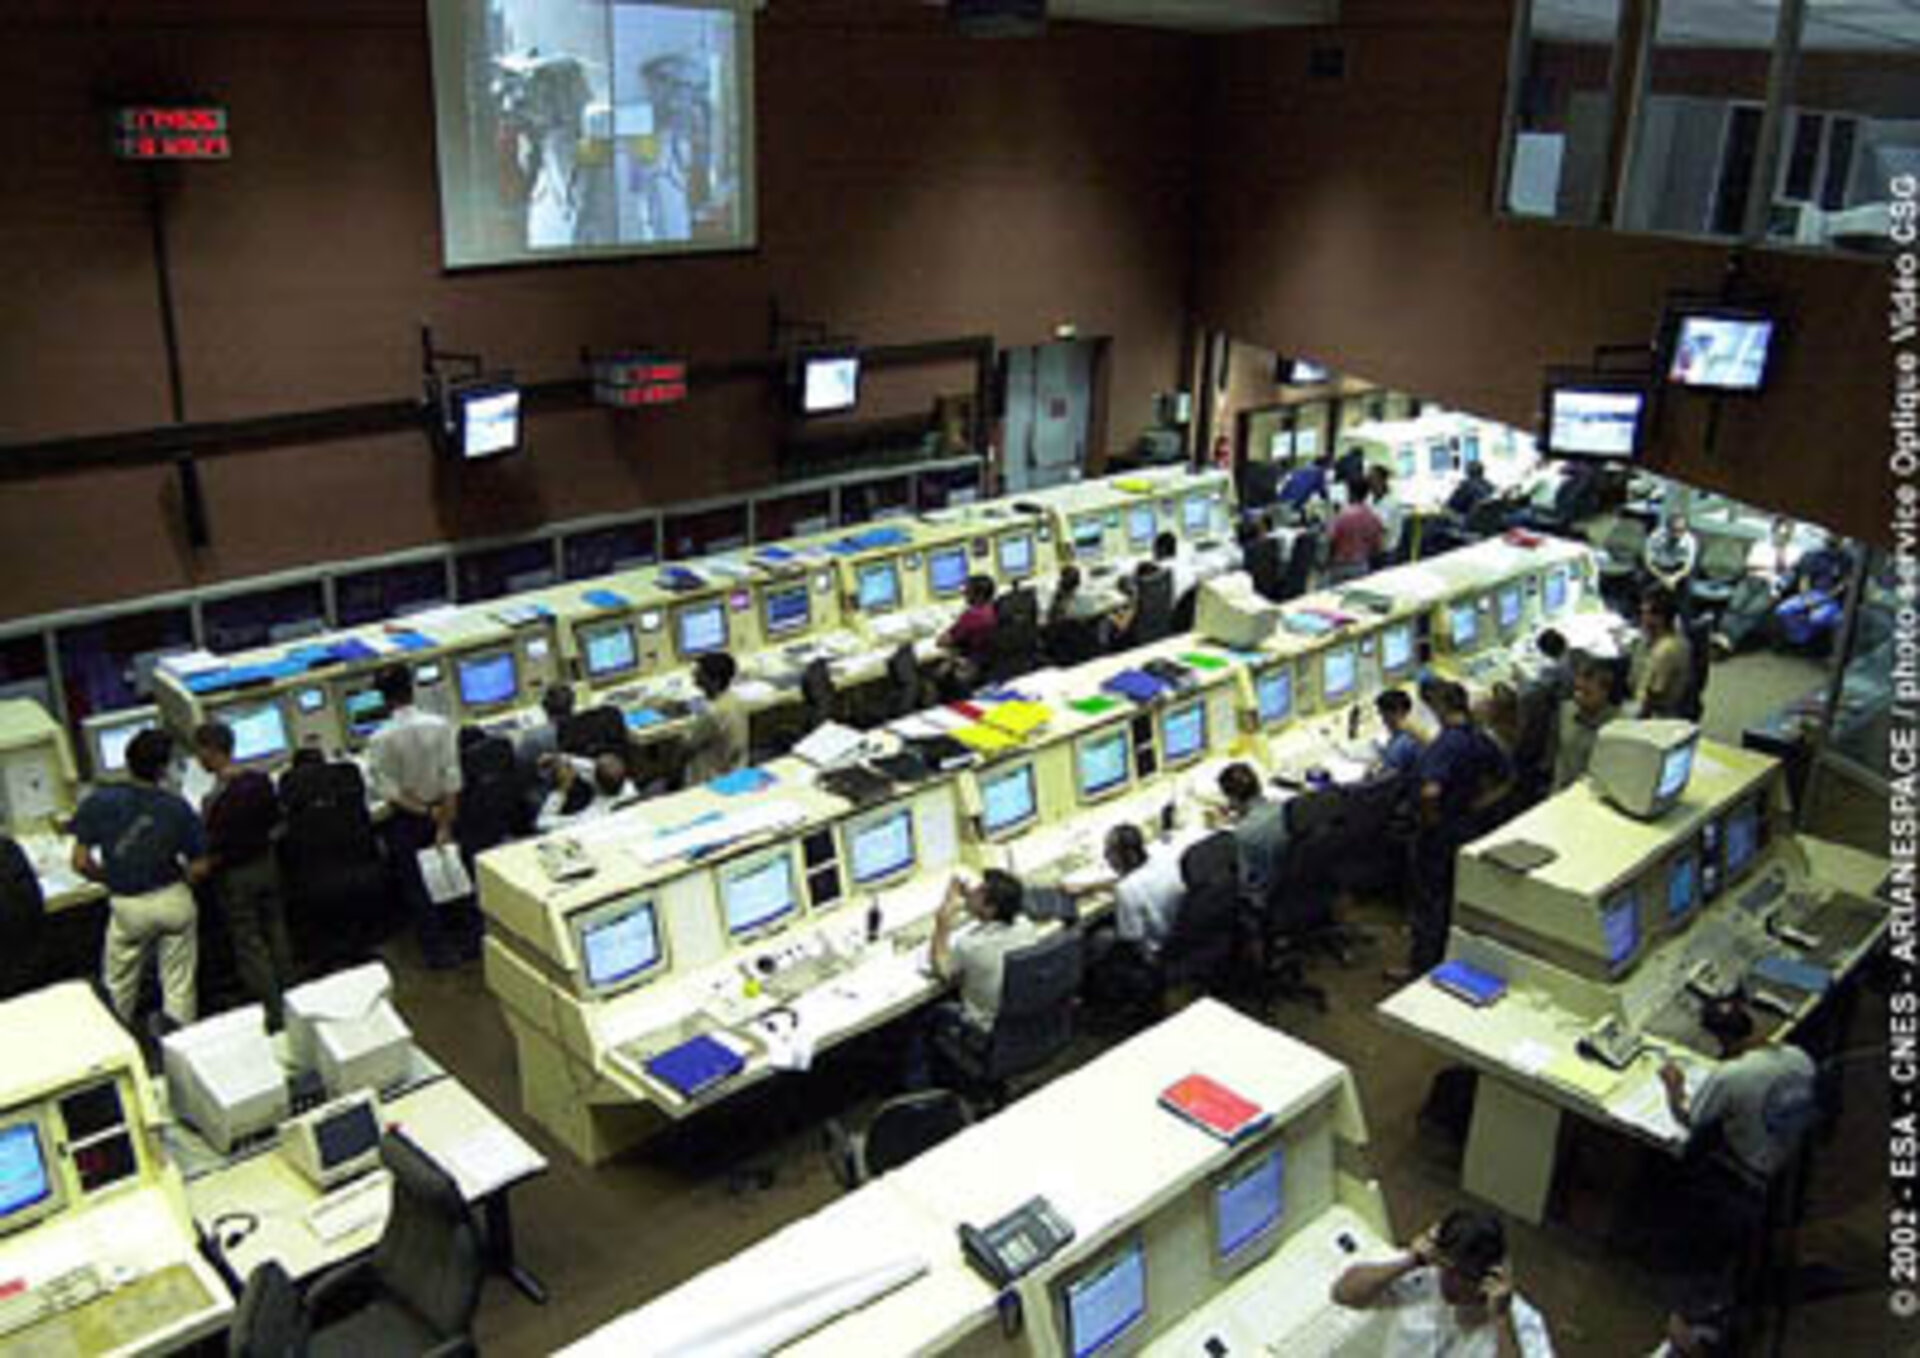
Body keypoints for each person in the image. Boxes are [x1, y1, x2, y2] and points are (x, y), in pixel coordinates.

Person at [70, 730, 210, 1028]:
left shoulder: (99, 802)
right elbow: (200, 866)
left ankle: (119, 1046)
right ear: (163, 768)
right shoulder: (176, 806)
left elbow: (80, 862)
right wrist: (179, 881)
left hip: (127, 906)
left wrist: (112, 878)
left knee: (118, 985)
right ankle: (181, 1049)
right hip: (172, 899)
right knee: (178, 985)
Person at [1396, 680, 1508, 979]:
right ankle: (1449, 957)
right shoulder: (1478, 737)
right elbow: (1506, 778)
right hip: (1467, 827)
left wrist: (1432, 821)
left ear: (1440, 709)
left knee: (1429, 903)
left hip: (1439, 836)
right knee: (1451, 898)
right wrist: (1479, 805)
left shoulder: (1445, 745)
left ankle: (1420, 966)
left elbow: (1430, 791)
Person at [1330, 1208, 1555, 1357]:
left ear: (1491, 1275)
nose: (1449, 1283)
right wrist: (1410, 1261)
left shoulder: (1523, 1323)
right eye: (1447, 1269)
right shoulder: (1428, 1274)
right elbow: (1343, 1294)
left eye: (1463, 1276)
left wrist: (1502, 1321)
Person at [365, 663, 468, 969]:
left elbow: (391, 792)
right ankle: (469, 941)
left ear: (384, 699)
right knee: (453, 874)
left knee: (417, 888)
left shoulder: (379, 739)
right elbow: (452, 777)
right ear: (412, 688)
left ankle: (437, 953)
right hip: (444, 810)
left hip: (409, 820)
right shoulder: (440, 724)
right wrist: (444, 822)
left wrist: (427, 814)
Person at [193, 721, 295, 1028]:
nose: (198, 759)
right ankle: (294, 1000)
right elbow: (278, 823)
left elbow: (215, 846)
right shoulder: (260, 780)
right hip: (268, 866)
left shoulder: (214, 801)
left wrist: (206, 864)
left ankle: (275, 1014)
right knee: (277, 932)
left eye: (200, 751)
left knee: (250, 945)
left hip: (236, 878)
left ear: (212, 751)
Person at [930, 869, 1043, 1035]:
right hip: (1023, 1021)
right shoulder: (1026, 925)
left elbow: (942, 971)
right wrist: (973, 903)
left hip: (987, 1029)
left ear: (991, 909)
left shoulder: (970, 946)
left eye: (979, 891)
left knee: (925, 1018)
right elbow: (989, 915)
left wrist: (941, 926)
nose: (973, 891)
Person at [1715, 517, 1801, 655]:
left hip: (1770, 586)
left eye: (1787, 531)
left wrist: (1779, 555)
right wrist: (1771, 568)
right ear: (1774, 530)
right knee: (1735, 605)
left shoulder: (1795, 552)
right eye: (1780, 530)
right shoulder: (1761, 545)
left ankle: (1729, 640)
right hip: (1750, 580)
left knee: (1751, 611)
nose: (1783, 534)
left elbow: (1787, 573)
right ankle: (1722, 635)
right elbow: (1749, 565)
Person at [1213, 762, 1288, 904]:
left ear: (1233, 799)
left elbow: (1246, 882)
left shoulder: (1244, 833)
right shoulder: (1284, 808)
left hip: (1269, 901)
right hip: (1296, 886)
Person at [1552, 656, 1620, 791]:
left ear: (1605, 693)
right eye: (1576, 690)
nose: (1577, 697)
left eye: (1586, 693)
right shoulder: (1566, 710)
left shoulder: (1617, 726)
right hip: (1560, 791)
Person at [683, 650, 750, 784]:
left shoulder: (712, 713)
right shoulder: (735, 700)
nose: (695, 679)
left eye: (700, 676)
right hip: (736, 770)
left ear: (715, 681)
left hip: (711, 779)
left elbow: (687, 747)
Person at [536, 751, 637, 832]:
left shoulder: (590, 818)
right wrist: (560, 758)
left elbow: (542, 823)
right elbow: (590, 767)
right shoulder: (629, 787)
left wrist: (561, 789)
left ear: (597, 785)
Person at [1632, 589, 1694, 719]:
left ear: (1661, 618)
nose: (1642, 618)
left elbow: (1652, 699)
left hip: (1658, 714)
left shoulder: (1664, 652)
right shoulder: (1680, 638)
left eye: (1646, 613)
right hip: (1671, 705)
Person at [939, 574, 1000, 687]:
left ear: (979, 595)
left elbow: (943, 642)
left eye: (968, 591)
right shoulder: (995, 609)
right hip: (992, 665)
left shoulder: (972, 616)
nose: (965, 594)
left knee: (933, 672)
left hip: (972, 667)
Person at [1325, 474, 1384, 583]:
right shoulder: (1372, 517)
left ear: (1349, 492)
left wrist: (1327, 562)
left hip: (1340, 566)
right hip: (1361, 566)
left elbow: (1331, 541)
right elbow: (1377, 546)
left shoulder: (1341, 516)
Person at [1642, 511, 1700, 596]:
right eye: (1674, 530)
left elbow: (1688, 566)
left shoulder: (1690, 541)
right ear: (1667, 528)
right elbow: (1648, 561)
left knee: (1687, 589)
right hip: (1657, 569)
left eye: (1681, 530)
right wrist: (1663, 578)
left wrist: (1674, 578)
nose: (1677, 534)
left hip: (1677, 570)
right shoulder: (1655, 536)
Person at [1375, 689, 1426, 778]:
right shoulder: (1407, 733)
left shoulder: (1404, 742)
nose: (1383, 721)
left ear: (1398, 711)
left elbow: (1387, 777)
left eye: (1384, 715)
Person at [1369, 464, 1406, 562]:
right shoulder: (1370, 500)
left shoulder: (1391, 502)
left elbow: (1381, 528)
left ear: (1382, 480)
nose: (1370, 482)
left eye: (1373, 478)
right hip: (1374, 552)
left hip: (1387, 554)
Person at [1154, 530, 1197, 604]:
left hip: (1164, 614)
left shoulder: (1154, 577)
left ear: (1158, 552)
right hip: (1186, 614)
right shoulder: (1187, 571)